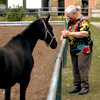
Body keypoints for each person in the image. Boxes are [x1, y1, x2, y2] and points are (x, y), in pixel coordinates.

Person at [60, 5, 93, 95]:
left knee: (82, 67)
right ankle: (77, 86)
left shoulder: (84, 21)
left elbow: (84, 33)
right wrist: (63, 35)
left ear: (74, 13)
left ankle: (85, 87)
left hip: (84, 49)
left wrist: (69, 33)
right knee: (75, 68)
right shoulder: (71, 22)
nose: (68, 17)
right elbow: (66, 31)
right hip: (74, 49)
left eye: (69, 15)